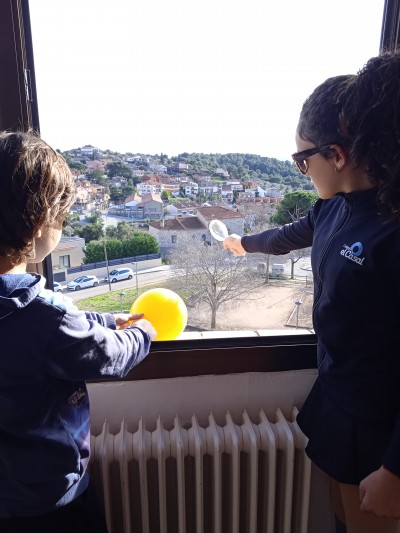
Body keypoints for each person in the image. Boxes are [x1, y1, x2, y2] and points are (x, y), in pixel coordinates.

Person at [224, 50, 400, 533]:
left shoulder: (391, 230)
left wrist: (394, 469)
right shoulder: (333, 208)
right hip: (338, 394)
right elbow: (289, 235)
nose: (302, 169)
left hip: (378, 422)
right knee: (340, 511)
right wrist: (244, 243)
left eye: (303, 161)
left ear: (337, 156)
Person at [0, 130, 157, 532]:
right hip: (51, 501)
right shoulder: (41, 316)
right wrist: (142, 332)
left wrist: (107, 320)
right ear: (41, 224)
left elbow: (68, 331)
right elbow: (107, 355)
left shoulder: (38, 317)